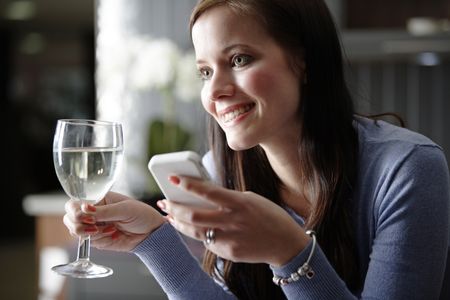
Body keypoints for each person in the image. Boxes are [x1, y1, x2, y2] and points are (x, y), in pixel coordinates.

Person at [63, 0, 450, 299]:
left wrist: (292, 254)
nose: (214, 91)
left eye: (239, 59)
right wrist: (152, 239)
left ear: (303, 61)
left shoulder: (407, 170)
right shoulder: (219, 171)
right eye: (205, 71)